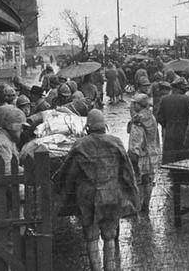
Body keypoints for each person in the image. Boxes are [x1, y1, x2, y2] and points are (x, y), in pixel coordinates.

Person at [54, 110, 139, 271]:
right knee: (109, 236)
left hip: (89, 197)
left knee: (91, 237)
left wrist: (60, 190)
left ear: (88, 127)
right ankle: (110, 268)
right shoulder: (116, 142)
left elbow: (69, 173)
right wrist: (133, 196)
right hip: (112, 194)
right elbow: (127, 171)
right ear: (104, 126)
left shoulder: (80, 144)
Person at [127, 94, 160, 213]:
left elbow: (136, 139)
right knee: (148, 179)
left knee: (138, 180)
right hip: (152, 153)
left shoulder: (139, 120)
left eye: (134, 103)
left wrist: (133, 154)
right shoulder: (150, 116)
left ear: (139, 104)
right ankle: (146, 205)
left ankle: (138, 206)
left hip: (140, 155)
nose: (132, 105)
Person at [156, 77, 189, 164]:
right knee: (181, 153)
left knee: (170, 152)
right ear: (179, 88)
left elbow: (159, 116)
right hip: (183, 129)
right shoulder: (186, 99)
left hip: (169, 129)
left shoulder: (164, 99)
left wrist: (166, 125)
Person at [0, 109, 25, 174]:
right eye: (21, 127)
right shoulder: (0, 142)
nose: (22, 130)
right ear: (11, 127)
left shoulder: (9, 139)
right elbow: (6, 169)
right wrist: (26, 170)